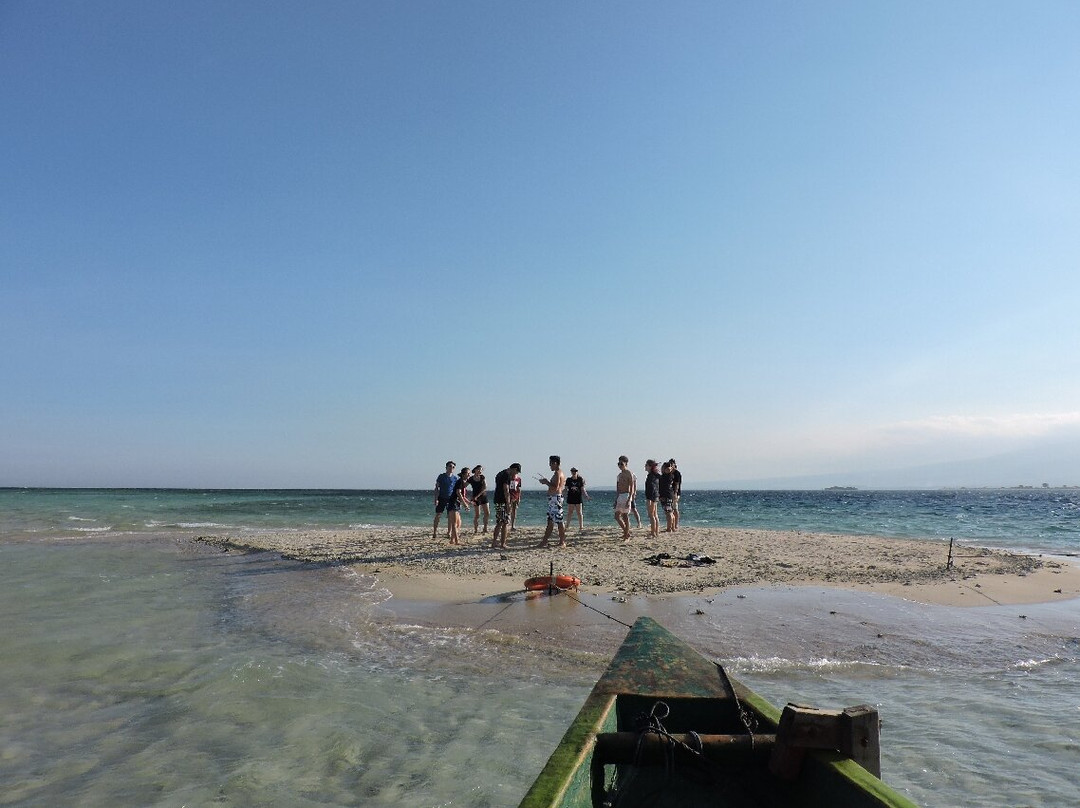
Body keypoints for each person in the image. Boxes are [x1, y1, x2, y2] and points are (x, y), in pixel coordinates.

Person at [538, 455, 567, 547]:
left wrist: (546, 482)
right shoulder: (557, 473)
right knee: (553, 520)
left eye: (550, 463)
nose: (549, 465)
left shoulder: (558, 473)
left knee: (557, 520)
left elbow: (556, 488)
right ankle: (546, 541)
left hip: (556, 499)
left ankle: (560, 542)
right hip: (554, 499)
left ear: (555, 463)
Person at [491, 463, 521, 549]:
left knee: (500, 522)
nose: (515, 474)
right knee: (504, 523)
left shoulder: (500, 473)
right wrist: (508, 503)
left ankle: (494, 542)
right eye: (516, 472)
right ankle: (502, 543)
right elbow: (506, 489)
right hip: (503, 501)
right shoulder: (506, 475)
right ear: (514, 469)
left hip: (497, 499)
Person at [433, 461, 459, 539]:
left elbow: (456, 490)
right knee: (438, 514)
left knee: (450, 516)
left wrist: (458, 499)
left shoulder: (455, 478)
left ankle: (449, 532)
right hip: (441, 497)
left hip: (451, 499)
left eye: (453, 467)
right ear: (446, 467)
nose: (451, 468)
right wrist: (436, 499)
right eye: (450, 466)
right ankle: (434, 532)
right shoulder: (441, 476)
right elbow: (437, 488)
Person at [614, 455, 634, 542]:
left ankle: (626, 535)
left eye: (621, 464)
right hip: (620, 496)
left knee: (625, 516)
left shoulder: (629, 473)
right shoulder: (619, 475)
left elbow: (632, 486)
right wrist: (616, 499)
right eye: (618, 464)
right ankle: (626, 532)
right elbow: (618, 488)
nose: (620, 466)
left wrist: (629, 499)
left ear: (626, 464)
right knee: (617, 516)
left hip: (626, 495)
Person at [450, 466, 472, 544]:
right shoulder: (459, 481)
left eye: (469, 473)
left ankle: (452, 539)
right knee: (455, 523)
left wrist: (469, 502)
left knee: (459, 523)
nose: (469, 475)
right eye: (468, 473)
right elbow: (458, 493)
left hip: (457, 503)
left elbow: (462, 495)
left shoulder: (462, 482)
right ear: (463, 474)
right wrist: (465, 504)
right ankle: (456, 540)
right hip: (453, 503)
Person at [470, 465, 489, 534]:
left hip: (483, 496)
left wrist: (478, 495)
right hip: (475, 498)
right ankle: (476, 530)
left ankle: (485, 528)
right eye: (478, 469)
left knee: (487, 513)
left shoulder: (482, 477)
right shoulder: (471, 478)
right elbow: (464, 485)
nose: (480, 471)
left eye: (481, 470)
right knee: (477, 515)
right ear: (475, 470)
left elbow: (485, 487)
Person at [644, 459, 661, 538]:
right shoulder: (655, 475)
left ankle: (653, 532)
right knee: (655, 515)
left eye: (646, 465)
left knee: (651, 515)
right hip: (655, 496)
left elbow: (651, 488)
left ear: (650, 466)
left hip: (651, 497)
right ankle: (656, 531)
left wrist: (650, 499)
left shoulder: (651, 476)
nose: (645, 466)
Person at [659, 461, 675, 533]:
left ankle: (669, 528)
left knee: (668, 513)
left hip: (666, 495)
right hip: (669, 495)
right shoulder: (669, 476)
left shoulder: (667, 476)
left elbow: (663, 486)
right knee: (670, 512)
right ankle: (672, 527)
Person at [669, 458, 683, 531]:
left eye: (672, 465)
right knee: (671, 508)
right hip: (670, 492)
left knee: (675, 508)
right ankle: (672, 524)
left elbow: (677, 484)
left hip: (675, 493)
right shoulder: (669, 473)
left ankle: (676, 524)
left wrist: (675, 493)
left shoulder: (677, 473)